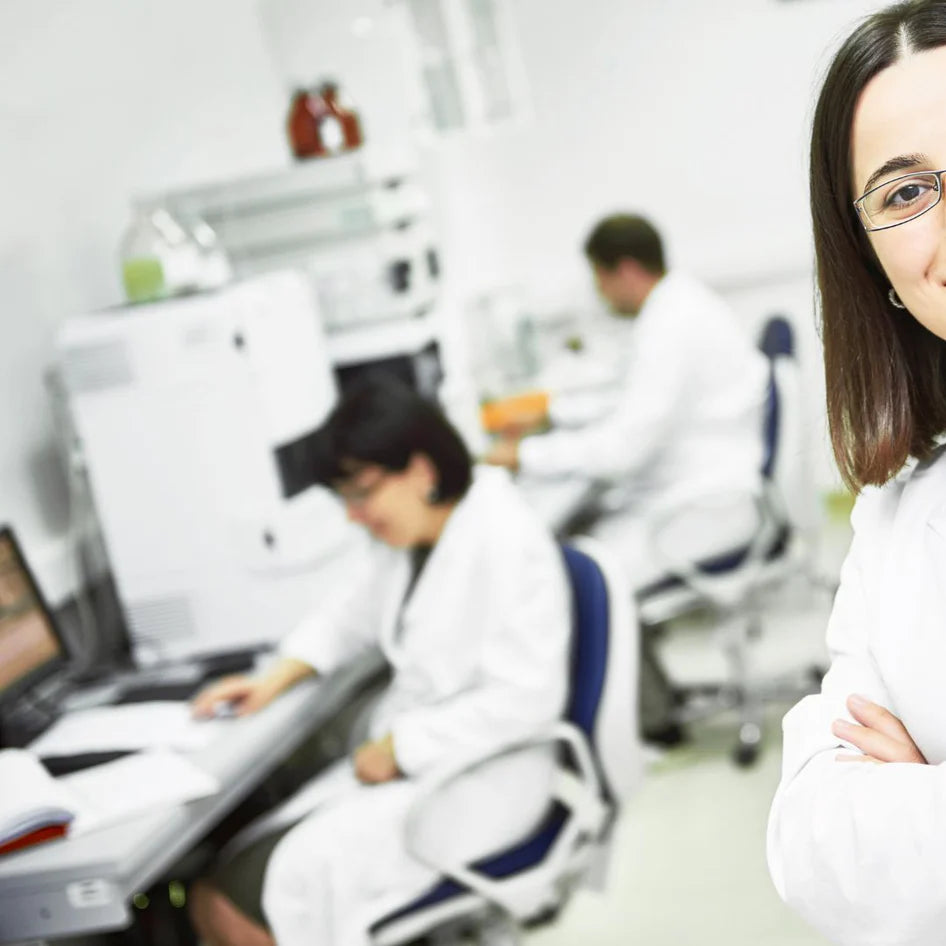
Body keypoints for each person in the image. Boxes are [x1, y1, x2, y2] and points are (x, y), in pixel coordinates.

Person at [188, 377, 570, 946]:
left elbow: (526, 700)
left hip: (480, 781)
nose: (353, 516)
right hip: (429, 766)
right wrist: (275, 678)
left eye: (361, 494)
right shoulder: (419, 535)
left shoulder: (506, 539)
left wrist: (403, 746)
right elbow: (351, 612)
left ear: (421, 471)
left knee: (227, 906)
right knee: (231, 875)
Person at [766, 4, 946, 944]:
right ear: (872, 257)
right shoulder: (895, 510)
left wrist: (916, 799)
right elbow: (806, 843)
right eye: (907, 193)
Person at [485, 214, 770, 594]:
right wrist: (551, 413)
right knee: (571, 543)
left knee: (570, 585)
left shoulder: (673, 324)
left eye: (599, 280)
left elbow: (622, 450)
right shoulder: (675, 306)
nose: (600, 294)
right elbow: (627, 402)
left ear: (627, 271)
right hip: (696, 490)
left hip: (702, 508)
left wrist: (525, 455)